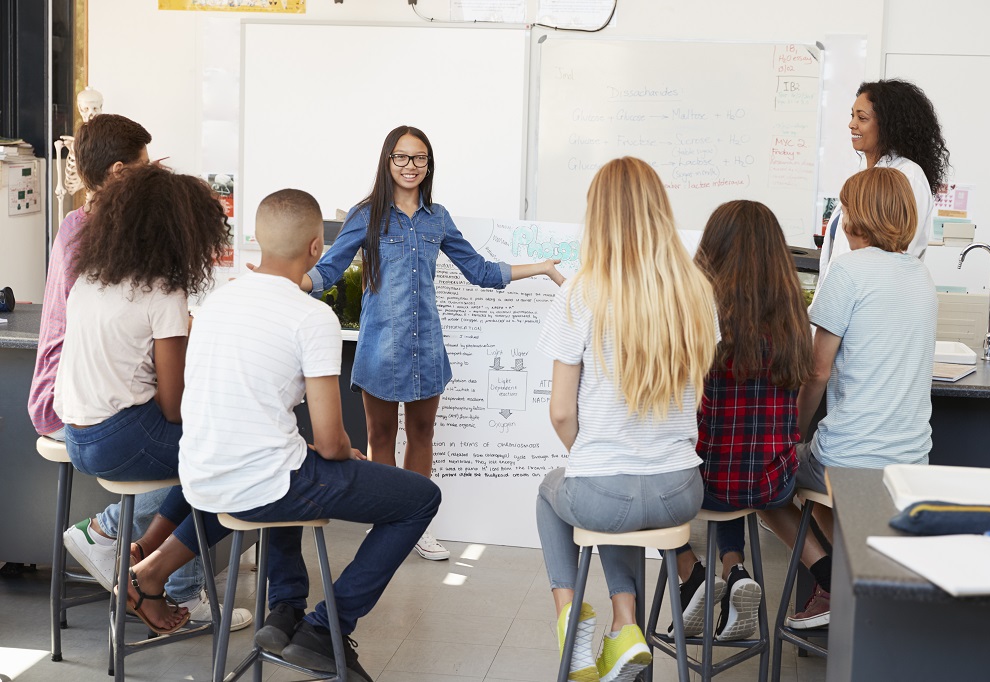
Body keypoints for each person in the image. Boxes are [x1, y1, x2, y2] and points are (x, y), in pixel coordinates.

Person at [176, 189, 441, 680]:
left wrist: (322, 450)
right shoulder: (309, 315)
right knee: (420, 498)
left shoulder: (216, 300)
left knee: (294, 455)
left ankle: (285, 610)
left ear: (257, 239)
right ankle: (327, 629)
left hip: (200, 480)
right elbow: (332, 438)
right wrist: (343, 453)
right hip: (259, 486)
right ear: (318, 247)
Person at [302, 125, 564, 561]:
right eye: (402, 158)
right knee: (380, 436)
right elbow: (329, 270)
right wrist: (288, 280)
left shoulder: (437, 217)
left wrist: (539, 268)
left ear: (429, 165)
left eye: (419, 158)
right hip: (380, 348)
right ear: (388, 161)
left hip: (427, 350)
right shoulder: (366, 214)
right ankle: (386, 525)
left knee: (423, 434)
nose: (410, 166)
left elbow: (478, 271)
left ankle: (416, 524)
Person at [27, 114, 247, 627]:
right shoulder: (161, 288)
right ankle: (143, 566)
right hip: (112, 431)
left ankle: (139, 554)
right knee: (235, 461)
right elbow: (173, 406)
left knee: (210, 452)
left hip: (78, 426)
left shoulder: (95, 272)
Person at [534, 157, 718, 682]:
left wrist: (593, 459)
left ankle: (572, 626)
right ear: (659, 211)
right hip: (680, 490)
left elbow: (561, 411)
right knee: (619, 498)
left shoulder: (580, 292)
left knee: (562, 490)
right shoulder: (696, 293)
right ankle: (625, 626)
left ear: (599, 216)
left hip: (605, 492)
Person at [759, 166, 938, 629]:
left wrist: (791, 434)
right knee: (821, 498)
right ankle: (857, 583)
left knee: (762, 472)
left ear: (858, 216)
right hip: (910, 459)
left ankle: (836, 580)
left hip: (849, 457)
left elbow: (817, 370)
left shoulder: (848, 271)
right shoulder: (922, 278)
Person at [669, 200, 813, 642]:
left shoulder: (697, 317)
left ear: (711, 249)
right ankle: (736, 571)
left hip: (709, 482)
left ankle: (691, 573)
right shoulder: (793, 320)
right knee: (735, 464)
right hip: (773, 482)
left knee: (664, 474)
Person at [819, 79, 952, 282]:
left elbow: (898, 255)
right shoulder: (862, 173)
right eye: (852, 115)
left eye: (862, 118)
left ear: (888, 125)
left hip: (871, 301)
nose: (851, 124)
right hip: (847, 295)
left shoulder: (908, 176)